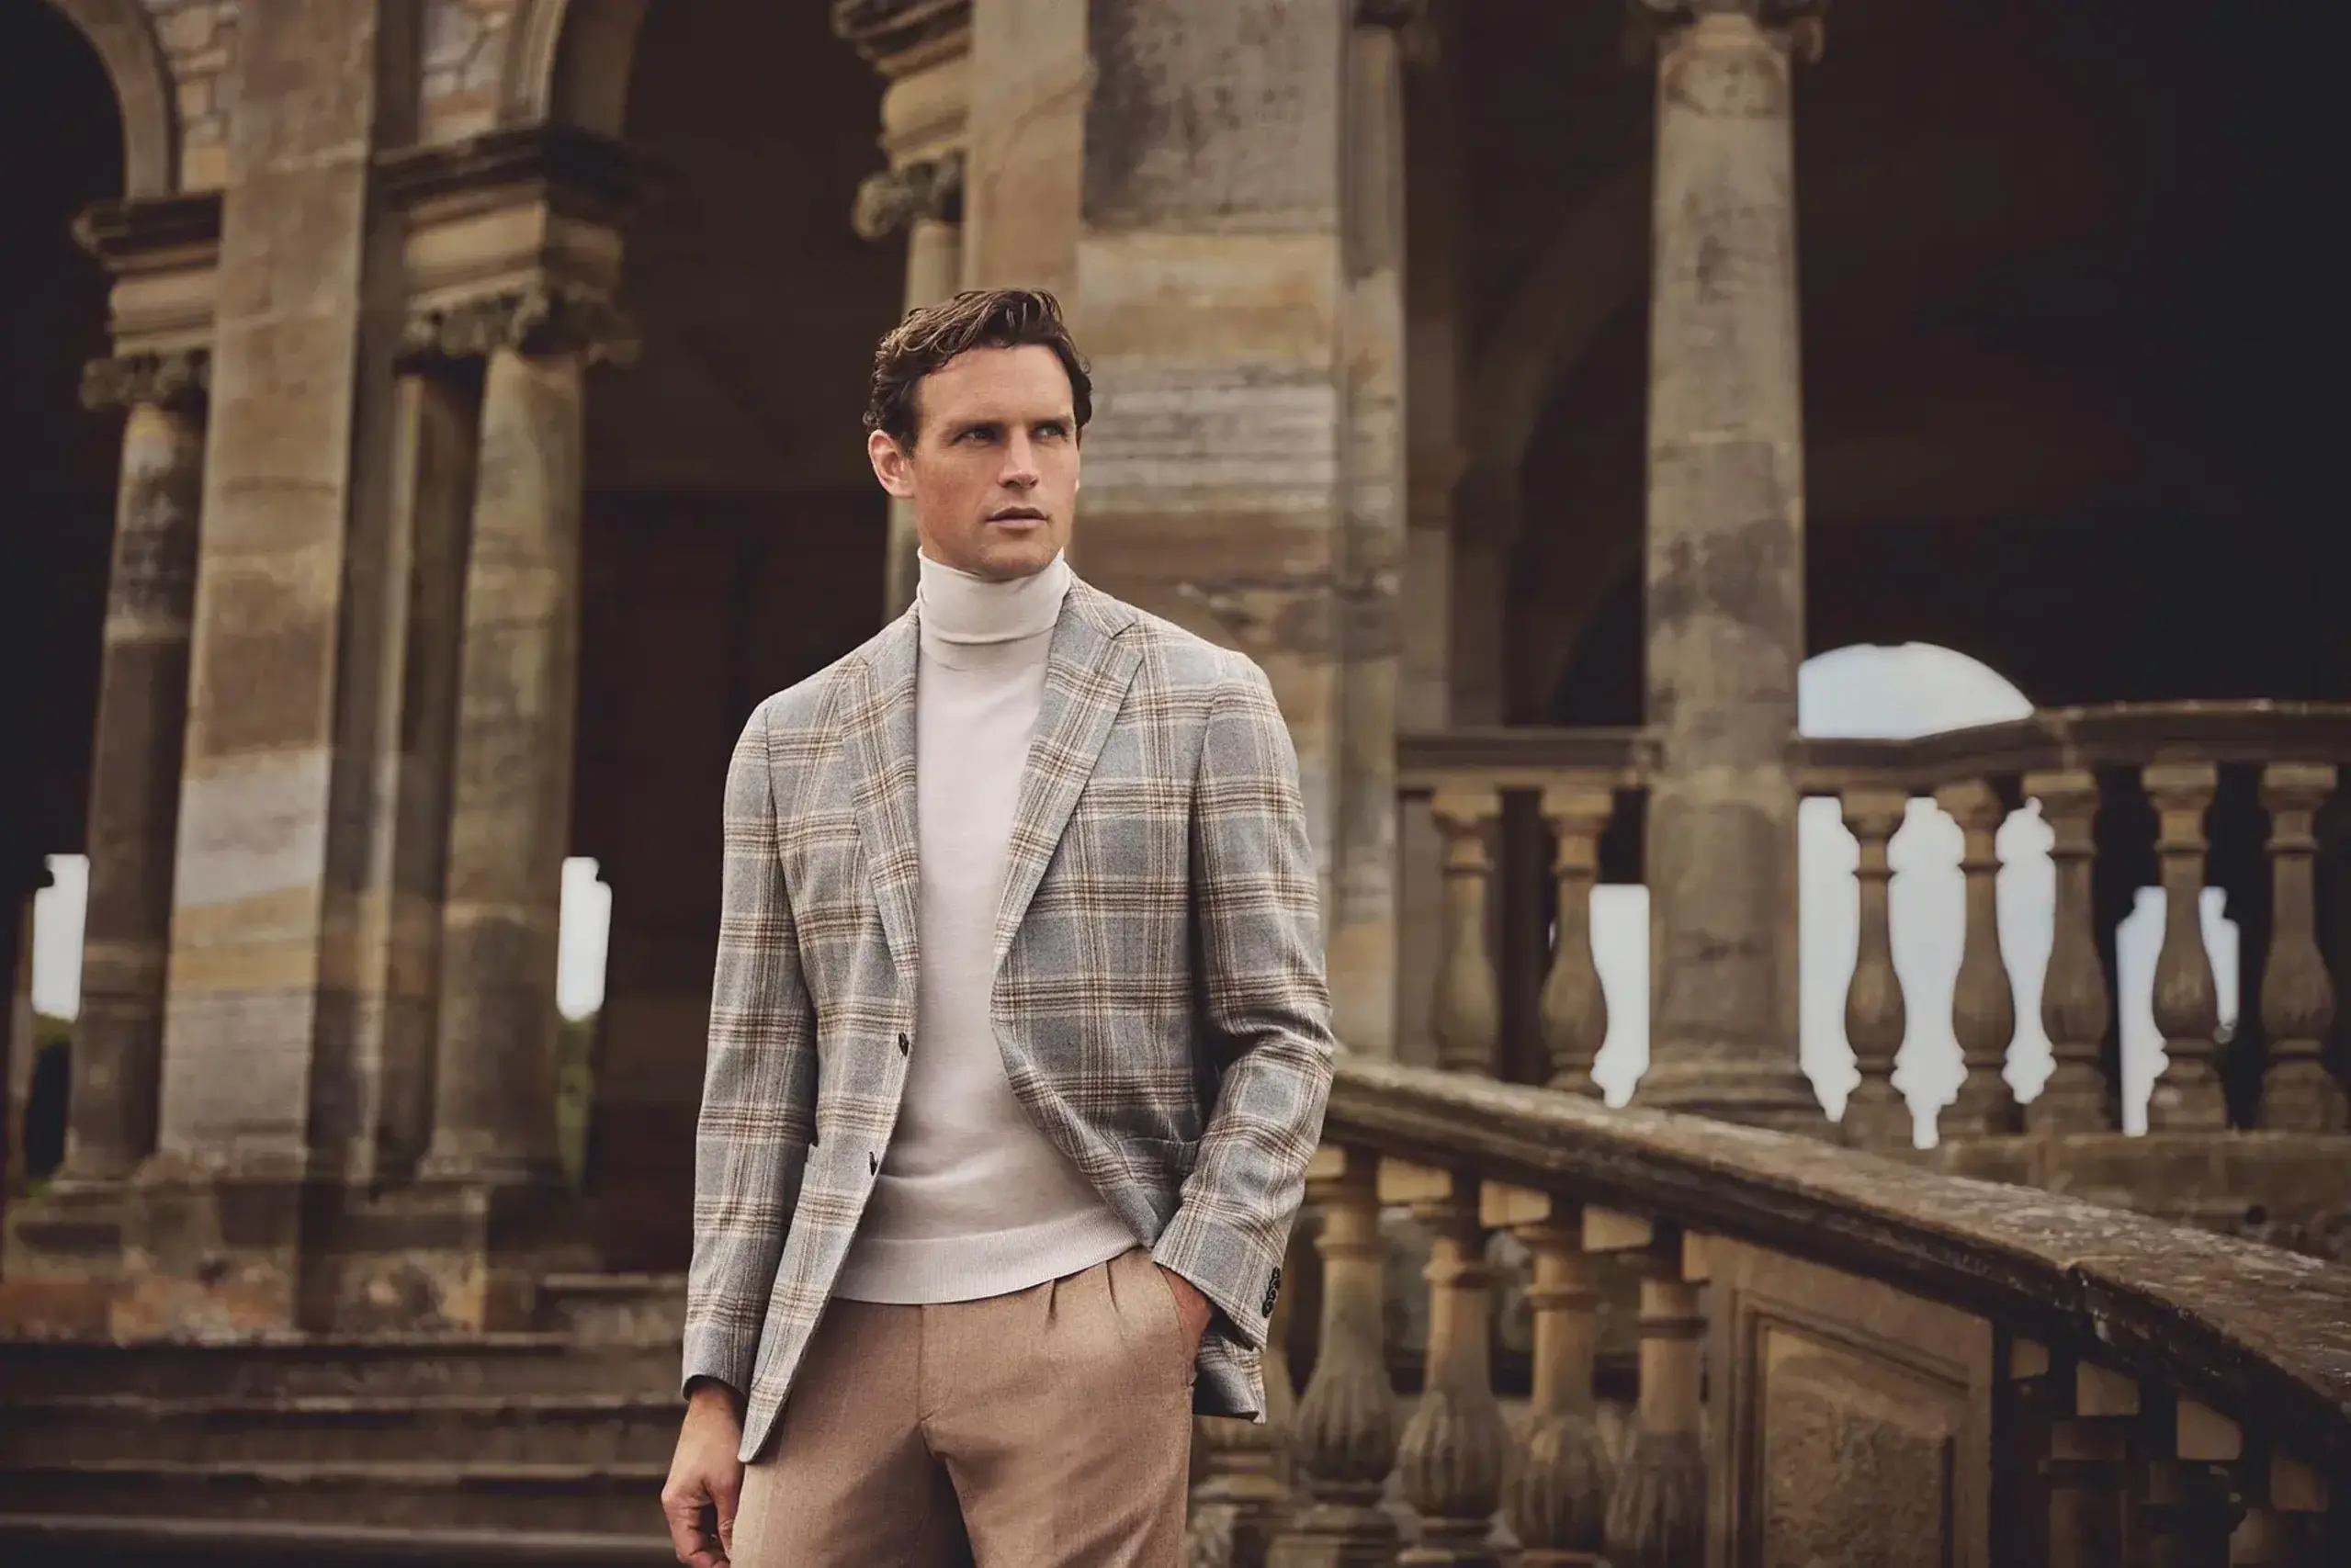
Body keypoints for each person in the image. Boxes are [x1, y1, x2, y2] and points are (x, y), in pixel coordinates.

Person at [660, 288, 1336, 1567]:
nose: (1023, 466)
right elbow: (755, 1090)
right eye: (978, 436)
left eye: (1051, 431)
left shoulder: (1205, 702)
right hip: (836, 1327)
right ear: (894, 462)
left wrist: (1179, 1297)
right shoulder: (790, 740)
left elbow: (1281, 1036)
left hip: (1086, 1316)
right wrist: (714, 1383)